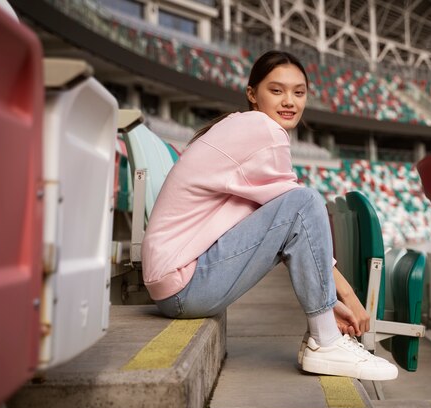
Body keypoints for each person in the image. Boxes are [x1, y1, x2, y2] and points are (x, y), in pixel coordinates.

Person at [142, 50, 398, 381]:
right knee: (305, 200)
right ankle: (326, 342)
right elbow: (299, 214)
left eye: (299, 92)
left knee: (299, 203)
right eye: (276, 91)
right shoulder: (262, 130)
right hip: (185, 286)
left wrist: (328, 300)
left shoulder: (244, 126)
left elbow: (290, 232)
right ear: (253, 94)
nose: (289, 101)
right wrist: (347, 296)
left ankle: (322, 335)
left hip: (177, 284)